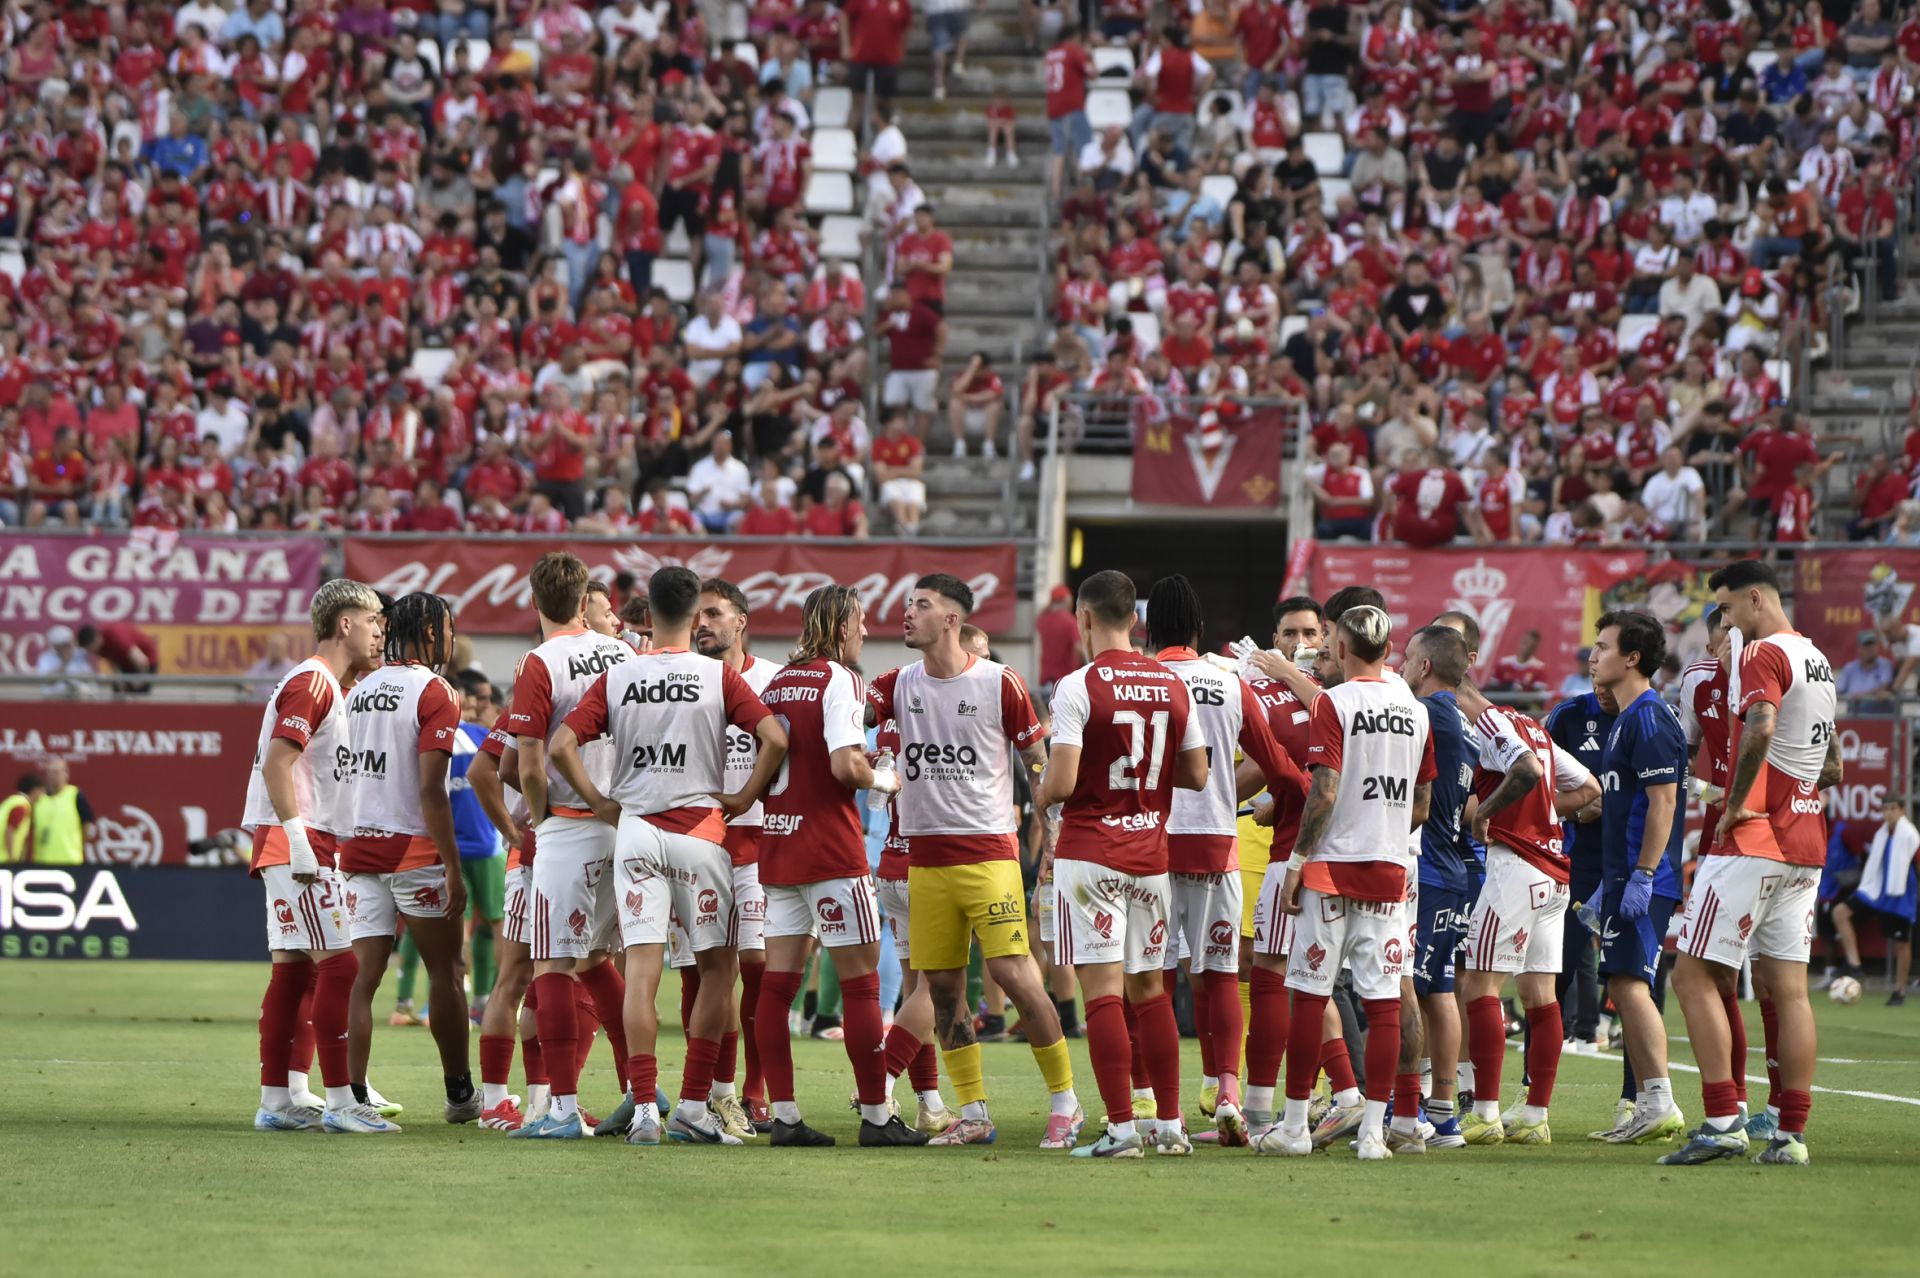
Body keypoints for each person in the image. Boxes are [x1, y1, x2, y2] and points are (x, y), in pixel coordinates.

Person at [548, 566, 789, 1146]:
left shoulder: (619, 675)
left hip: (635, 831)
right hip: (699, 831)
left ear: (648, 613)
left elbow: (560, 745)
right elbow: (776, 738)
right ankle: (694, 1105)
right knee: (717, 971)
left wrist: (599, 803)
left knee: (640, 975)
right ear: (694, 614)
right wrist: (744, 797)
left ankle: (644, 1110)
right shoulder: (717, 675)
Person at [866, 573, 1081, 1147]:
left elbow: (1038, 762)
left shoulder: (999, 682)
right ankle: (974, 1112)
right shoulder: (895, 683)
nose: (908, 612)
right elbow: (844, 713)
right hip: (925, 859)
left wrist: (1052, 835)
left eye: (922, 605)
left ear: (951, 620)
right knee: (942, 989)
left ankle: (1066, 1101)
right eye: (909, 602)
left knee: (1014, 974)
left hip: (988, 854)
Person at [1663, 561, 1841, 1166]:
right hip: (1806, 843)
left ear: (1756, 599)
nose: (1726, 620)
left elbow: (1761, 725)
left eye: (1728, 607)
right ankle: (1791, 1135)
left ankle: (1721, 1121)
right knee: (1790, 991)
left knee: (1691, 976)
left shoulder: (1763, 653)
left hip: (1756, 840)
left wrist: (1737, 803)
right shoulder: (1817, 659)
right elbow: (1833, 765)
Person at [1036, 569, 1209, 1158]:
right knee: (1151, 991)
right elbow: (1197, 773)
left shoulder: (1077, 685)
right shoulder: (1171, 682)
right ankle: (1171, 1125)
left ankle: (1120, 1129)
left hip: (1091, 857)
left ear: (1083, 619)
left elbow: (1061, 782)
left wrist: (1040, 793)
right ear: (1134, 620)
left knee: (1103, 994)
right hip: (1150, 856)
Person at [1253, 603, 1435, 1162]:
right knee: (1383, 1001)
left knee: (1310, 995)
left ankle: (1294, 1127)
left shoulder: (1333, 702)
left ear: (1341, 648)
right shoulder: (1415, 711)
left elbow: (1325, 790)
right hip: (1390, 870)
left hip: (1331, 869)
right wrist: (1381, 832)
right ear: (1388, 650)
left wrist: (1297, 860)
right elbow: (1422, 805)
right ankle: (1375, 1133)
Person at [754, 585, 922, 1147]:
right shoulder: (841, 679)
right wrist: (884, 778)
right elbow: (845, 767)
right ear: (842, 626)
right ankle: (876, 1117)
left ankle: (784, 1116)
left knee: (777, 989)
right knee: (862, 985)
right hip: (829, 851)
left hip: (779, 847)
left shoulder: (779, 680)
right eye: (861, 621)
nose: (867, 631)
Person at [1146, 574, 1303, 1146]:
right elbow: (1279, 766)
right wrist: (1310, 798)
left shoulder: (1137, 679)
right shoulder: (1228, 683)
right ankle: (1230, 1093)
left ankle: (1161, 1111)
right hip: (1217, 844)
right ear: (1199, 629)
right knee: (1220, 977)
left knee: (1155, 982)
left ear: (1148, 629)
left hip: (1149, 849)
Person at [1439, 628, 1601, 1147]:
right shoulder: (1530, 724)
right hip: (1554, 874)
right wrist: (1543, 816)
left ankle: (1485, 1111)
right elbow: (1589, 788)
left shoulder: (1488, 722)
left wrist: (1487, 814)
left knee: (1476, 986)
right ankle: (1534, 1114)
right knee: (1539, 994)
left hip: (1515, 867)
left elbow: (1526, 770)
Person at [243, 578, 392, 1134]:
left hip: (292, 839)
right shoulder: (313, 681)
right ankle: (341, 1101)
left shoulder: (326, 683)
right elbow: (278, 762)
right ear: (344, 624)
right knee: (340, 964)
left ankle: (278, 1100)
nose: (380, 633)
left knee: (295, 971)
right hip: (297, 842)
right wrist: (300, 840)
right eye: (372, 621)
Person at [508, 553, 638, 1140]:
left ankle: (560, 1109)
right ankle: (639, 1089)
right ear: (586, 600)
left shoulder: (540, 661)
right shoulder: (623, 653)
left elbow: (529, 763)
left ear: (535, 602)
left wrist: (541, 820)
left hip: (570, 821)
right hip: (625, 823)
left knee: (553, 964)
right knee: (599, 960)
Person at [338, 593, 478, 1125]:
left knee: (361, 979)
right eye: (448, 629)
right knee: (447, 972)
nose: (452, 639)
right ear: (429, 632)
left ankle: (350, 1096)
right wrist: (453, 866)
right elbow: (430, 788)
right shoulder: (434, 689)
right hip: (414, 850)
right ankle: (459, 1095)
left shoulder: (359, 688)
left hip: (357, 848)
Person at [1587, 610, 1690, 1148]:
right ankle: (1650, 1102)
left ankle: (1659, 1102)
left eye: (1603, 647)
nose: (1593, 656)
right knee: (1622, 982)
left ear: (1631, 658)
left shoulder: (1648, 717)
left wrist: (1644, 874)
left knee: (1629, 982)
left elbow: (1663, 802)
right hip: (1622, 876)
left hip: (1643, 877)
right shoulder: (1628, 718)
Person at [694, 579, 785, 1132]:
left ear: (741, 621)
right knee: (701, 972)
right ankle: (708, 1091)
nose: (703, 623)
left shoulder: (772, 680)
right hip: (695, 841)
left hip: (758, 840)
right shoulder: (685, 679)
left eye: (714, 613)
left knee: (756, 966)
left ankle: (753, 1091)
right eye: (698, 615)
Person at [1396, 625, 1483, 1150]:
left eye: (1407, 658)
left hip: (1427, 868)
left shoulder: (1424, 713)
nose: (1401, 666)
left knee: (1406, 986)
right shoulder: (1462, 719)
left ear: (1425, 666)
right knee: (1440, 990)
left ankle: (1407, 1108)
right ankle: (1443, 1113)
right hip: (1452, 868)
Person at [1839, 799, 1918, 1007]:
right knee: (1840, 912)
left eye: (1893, 809)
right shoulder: (1881, 834)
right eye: (1885, 809)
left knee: (1902, 943)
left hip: (1900, 894)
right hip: (1875, 890)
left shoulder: (1910, 835)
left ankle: (1899, 991)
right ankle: (1855, 966)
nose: (1889, 813)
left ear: (1902, 810)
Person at [28, 757, 93, 867]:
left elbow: (87, 824)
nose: (53, 776)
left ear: (66, 774)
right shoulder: (39, 799)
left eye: (57, 772)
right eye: (50, 772)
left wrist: (79, 844)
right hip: (43, 860)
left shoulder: (75, 795)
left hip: (69, 859)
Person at [1035, 583, 1085, 703]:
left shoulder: (1043, 620)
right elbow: (1078, 649)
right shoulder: (1070, 622)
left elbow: (1039, 616)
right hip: (1065, 680)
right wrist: (1084, 666)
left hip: (1046, 680)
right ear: (1066, 601)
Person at [35, 625, 96, 698]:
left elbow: (89, 677)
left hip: (79, 696)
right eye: (65, 645)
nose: (69, 647)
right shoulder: (45, 658)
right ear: (56, 646)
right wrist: (64, 662)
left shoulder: (80, 654)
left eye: (69, 643)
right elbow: (47, 681)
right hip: (56, 697)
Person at [1, 773, 43, 863]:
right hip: (4, 861)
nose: (42, 796)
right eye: (41, 791)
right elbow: (10, 830)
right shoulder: (22, 806)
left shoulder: (11, 801)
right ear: (35, 790)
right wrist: (12, 859)